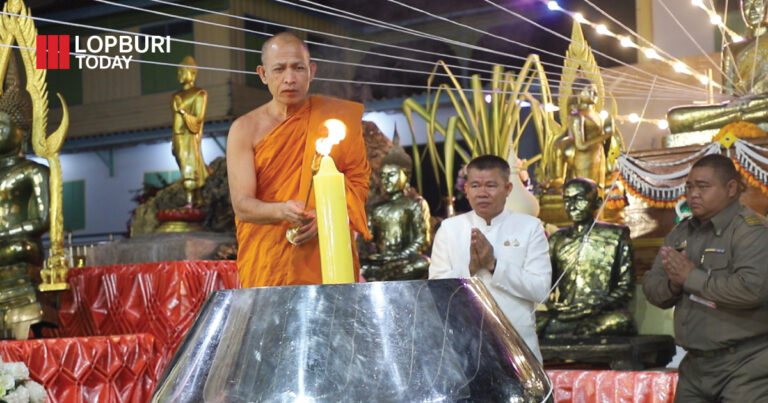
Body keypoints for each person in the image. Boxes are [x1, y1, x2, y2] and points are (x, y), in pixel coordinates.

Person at [227, 32, 371, 287]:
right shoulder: (244, 129)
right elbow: (242, 204)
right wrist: (280, 210)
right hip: (268, 262)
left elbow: (358, 183)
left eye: (298, 68)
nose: (289, 78)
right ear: (262, 74)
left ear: (311, 70)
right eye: (279, 69)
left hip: (327, 256)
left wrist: (326, 215)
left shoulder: (337, 118)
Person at [643, 154, 768, 402]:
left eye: (703, 186)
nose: (693, 194)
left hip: (745, 365)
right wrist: (673, 284)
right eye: (689, 187)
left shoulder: (751, 230)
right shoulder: (681, 232)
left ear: (731, 188)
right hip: (695, 366)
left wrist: (690, 277)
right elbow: (652, 286)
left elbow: (752, 289)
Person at [429, 155, 552, 361]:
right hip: (463, 346)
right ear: (466, 190)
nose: (483, 193)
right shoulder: (450, 229)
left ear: (508, 189)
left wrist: (494, 265)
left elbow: (540, 290)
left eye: (491, 185)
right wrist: (468, 269)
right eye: (476, 185)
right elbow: (435, 293)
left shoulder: (530, 227)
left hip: (517, 345)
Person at [537, 178, 636, 339]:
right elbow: (545, 284)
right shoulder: (557, 239)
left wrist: (594, 307)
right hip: (565, 314)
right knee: (531, 323)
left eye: (579, 199)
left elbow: (626, 288)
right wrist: (553, 305)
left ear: (597, 202)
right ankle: (576, 334)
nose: (572, 205)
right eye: (567, 200)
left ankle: (572, 334)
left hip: (598, 313)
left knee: (621, 320)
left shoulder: (616, 236)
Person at [667, 0, 768, 134]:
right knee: (676, 117)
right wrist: (738, 106)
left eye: (758, 4)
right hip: (739, 110)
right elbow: (729, 97)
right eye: (747, 5)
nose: (753, 10)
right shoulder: (731, 50)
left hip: (762, 106)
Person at [0, 81, 48, 338]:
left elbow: (42, 219)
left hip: (17, 248)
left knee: (20, 248)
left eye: (2, 126)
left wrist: (7, 233)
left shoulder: (34, 171)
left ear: (22, 132)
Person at [360, 135, 431, 281]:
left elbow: (422, 240)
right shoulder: (376, 209)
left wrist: (398, 255)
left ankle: (384, 277)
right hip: (383, 261)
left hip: (405, 259)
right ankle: (383, 275)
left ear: (405, 175)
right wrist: (373, 254)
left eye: (391, 175)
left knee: (423, 263)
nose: (386, 180)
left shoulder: (415, 204)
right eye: (383, 176)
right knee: (362, 268)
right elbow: (370, 240)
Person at [551, 78, 614, 191]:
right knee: (586, 193)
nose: (594, 94)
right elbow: (580, 145)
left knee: (599, 193)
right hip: (585, 159)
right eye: (589, 90)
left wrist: (608, 133)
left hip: (599, 157)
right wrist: (606, 135)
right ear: (578, 93)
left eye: (595, 91)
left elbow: (605, 143)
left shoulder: (598, 116)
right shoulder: (578, 117)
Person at [172, 56, 209, 207]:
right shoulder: (176, 96)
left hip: (190, 136)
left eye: (183, 71)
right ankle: (197, 198)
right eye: (178, 72)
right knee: (183, 164)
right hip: (178, 135)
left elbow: (198, 119)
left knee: (190, 165)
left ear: (192, 74)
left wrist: (182, 111)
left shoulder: (199, 94)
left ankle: (190, 201)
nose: (179, 75)